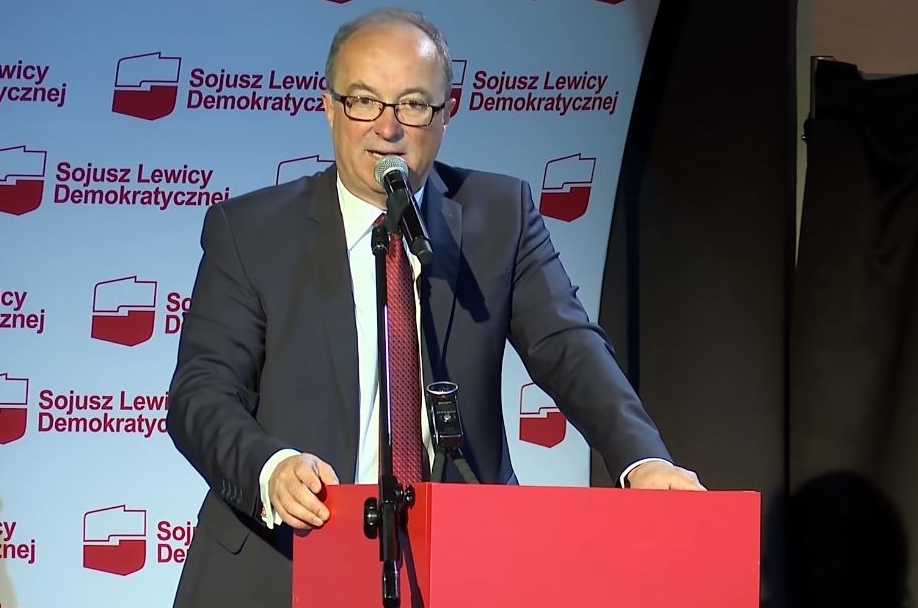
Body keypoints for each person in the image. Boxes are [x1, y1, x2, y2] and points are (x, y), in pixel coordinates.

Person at [165, 7, 704, 608]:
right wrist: (271, 467)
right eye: (363, 100)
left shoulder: (500, 215)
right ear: (329, 108)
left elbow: (569, 348)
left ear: (447, 113)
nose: (386, 127)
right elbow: (201, 393)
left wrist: (641, 459)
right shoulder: (251, 231)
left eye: (413, 104)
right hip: (289, 555)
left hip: (459, 558)